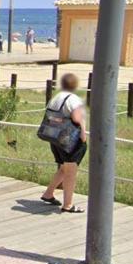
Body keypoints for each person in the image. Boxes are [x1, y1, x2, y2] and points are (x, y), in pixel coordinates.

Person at [40, 73, 88, 214]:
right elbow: (77, 118)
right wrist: (83, 134)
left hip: (55, 137)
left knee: (63, 168)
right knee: (70, 172)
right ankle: (68, 204)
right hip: (69, 140)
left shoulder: (56, 98)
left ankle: (48, 194)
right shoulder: (74, 99)